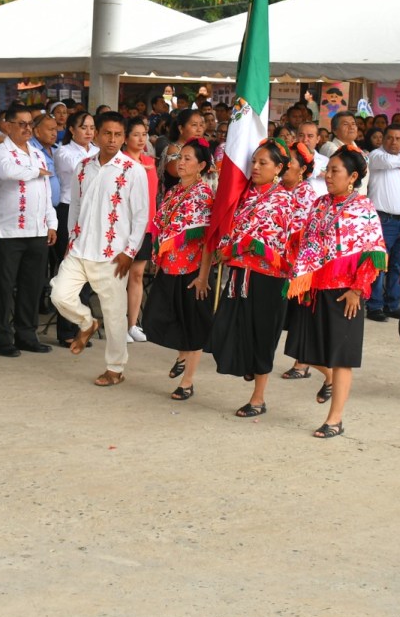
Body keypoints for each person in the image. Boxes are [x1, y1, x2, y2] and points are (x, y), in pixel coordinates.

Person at [286, 146, 387, 437]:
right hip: (316, 288)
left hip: (346, 293)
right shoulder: (320, 204)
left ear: (353, 176)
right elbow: (307, 240)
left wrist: (358, 289)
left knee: (342, 357)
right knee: (304, 349)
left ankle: (335, 420)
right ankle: (329, 379)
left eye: (335, 171)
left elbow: (373, 252)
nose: (327, 176)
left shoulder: (363, 209)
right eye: (327, 170)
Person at [50, 112, 149, 387]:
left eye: (119, 135)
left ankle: (115, 369)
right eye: (108, 133)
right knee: (59, 294)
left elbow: (141, 215)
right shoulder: (82, 168)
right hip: (80, 249)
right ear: (97, 134)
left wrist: (129, 252)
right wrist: (71, 241)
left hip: (113, 254)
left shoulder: (133, 171)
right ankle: (86, 322)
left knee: (115, 314)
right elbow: (76, 208)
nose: (113, 140)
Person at [205, 139, 296, 417]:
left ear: (278, 168)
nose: (255, 167)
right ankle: (247, 367)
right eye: (253, 162)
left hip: (268, 278)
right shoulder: (244, 195)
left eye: (263, 163)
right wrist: (226, 244)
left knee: (263, 336)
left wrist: (235, 247)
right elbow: (232, 228)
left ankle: (258, 399)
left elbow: (269, 241)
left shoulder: (284, 200)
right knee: (226, 328)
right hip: (239, 274)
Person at [143, 139, 214, 400]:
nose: (180, 163)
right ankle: (182, 356)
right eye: (179, 157)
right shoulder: (173, 192)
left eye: (187, 159)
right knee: (158, 318)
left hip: (193, 271)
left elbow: (208, 241)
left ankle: (188, 382)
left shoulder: (204, 194)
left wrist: (204, 276)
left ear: (202, 165)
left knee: (193, 326)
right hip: (170, 267)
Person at [0, 104, 57, 357]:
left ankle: (27, 334)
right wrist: (35, 172)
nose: (27, 128)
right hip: (8, 231)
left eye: (30, 124)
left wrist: (52, 223)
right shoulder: (0, 152)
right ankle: (3, 338)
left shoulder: (38, 154)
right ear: (7, 125)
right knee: (4, 287)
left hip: (37, 229)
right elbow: (6, 172)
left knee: (32, 286)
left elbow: (46, 191)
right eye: (22, 123)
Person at [366, 125, 400, 322]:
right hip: (383, 220)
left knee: (398, 264)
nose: (394, 142)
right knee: (379, 264)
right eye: (389, 138)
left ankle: (392, 304)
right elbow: (388, 163)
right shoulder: (376, 156)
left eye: (398, 138)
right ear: (383, 139)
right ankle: (374, 306)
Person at [53, 112, 98, 347]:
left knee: (88, 272)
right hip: (70, 210)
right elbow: (85, 175)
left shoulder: (97, 152)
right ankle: (65, 329)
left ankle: (83, 324)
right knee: (70, 269)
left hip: (93, 213)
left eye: (92, 127)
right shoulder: (65, 153)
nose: (89, 131)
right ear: (72, 129)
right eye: (84, 127)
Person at [279, 142, 319, 381]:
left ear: (302, 169)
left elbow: (294, 228)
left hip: (299, 263)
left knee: (300, 315)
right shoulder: (279, 188)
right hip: (279, 260)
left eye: (290, 162)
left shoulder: (307, 194)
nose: (285, 166)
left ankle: (302, 362)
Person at [122, 116, 159, 344]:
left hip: (146, 226)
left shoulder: (150, 160)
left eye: (144, 134)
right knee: (119, 276)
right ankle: (118, 324)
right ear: (126, 138)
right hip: (124, 227)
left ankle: (132, 325)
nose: (141, 138)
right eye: (136, 134)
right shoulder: (120, 161)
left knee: (137, 275)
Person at [159, 108, 206, 196]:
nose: (199, 129)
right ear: (181, 128)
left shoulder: (202, 148)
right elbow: (177, 171)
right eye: (194, 125)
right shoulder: (174, 149)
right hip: (180, 203)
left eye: (201, 125)